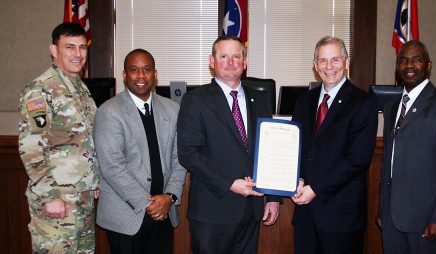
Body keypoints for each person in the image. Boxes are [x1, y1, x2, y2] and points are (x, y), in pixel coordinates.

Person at [177, 35, 281, 253]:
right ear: (212, 61)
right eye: (223, 56)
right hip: (212, 212)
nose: (231, 62)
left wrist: (273, 198)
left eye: (236, 56)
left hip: (251, 211)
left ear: (245, 62)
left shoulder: (260, 99)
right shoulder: (195, 100)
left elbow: (269, 152)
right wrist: (229, 183)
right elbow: (188, 153)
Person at [377, 40, 436, 254]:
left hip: (427, 221)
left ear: (428, 66)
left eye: (416, 60)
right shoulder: (391, 108)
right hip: (392, 220)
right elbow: (387, 163)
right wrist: (384, 209)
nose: (409, 65)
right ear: (397, 67)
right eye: (403, 60)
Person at [291, 36, 378, 254]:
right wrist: (295, 179)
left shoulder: (363, 103)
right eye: (322, 60)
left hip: (341, 217)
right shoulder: (304, 100)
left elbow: (357, 160)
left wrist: (316, 188)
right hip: (306, 215)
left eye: (335, 60)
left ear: (347, 63)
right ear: (315, 66)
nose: (329, 67)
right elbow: (294, 147)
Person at [93, 49, 186, 254]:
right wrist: (149, 204)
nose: (141, 76)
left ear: (155, 74)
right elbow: (112, 167)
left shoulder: (172, 109)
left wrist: (169, 197)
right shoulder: (108, 112)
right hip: (126, 217)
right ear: (125, 75)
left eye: (147, 69)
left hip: (164, 213)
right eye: (134, 70)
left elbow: (179, 159)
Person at [18, 22, 99, 253]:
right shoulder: (41, 90)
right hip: (57, 197)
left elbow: (85, 141)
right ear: (54, 50)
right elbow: (31, 146)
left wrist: (94, 179)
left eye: (82, 48)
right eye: (70, 47)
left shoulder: (80, 88)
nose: (77, 54)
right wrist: (49, 196)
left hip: (81, 196)